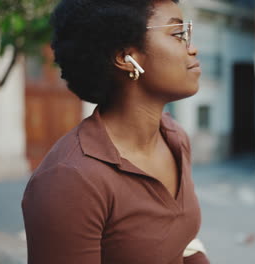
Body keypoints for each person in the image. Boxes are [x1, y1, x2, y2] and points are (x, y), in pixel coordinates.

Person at [21, 0, 209, 263]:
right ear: (125, 57)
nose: (193, 48)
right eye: (178, 34)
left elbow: (183, 242)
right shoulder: (70, 179)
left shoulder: (174, 138)